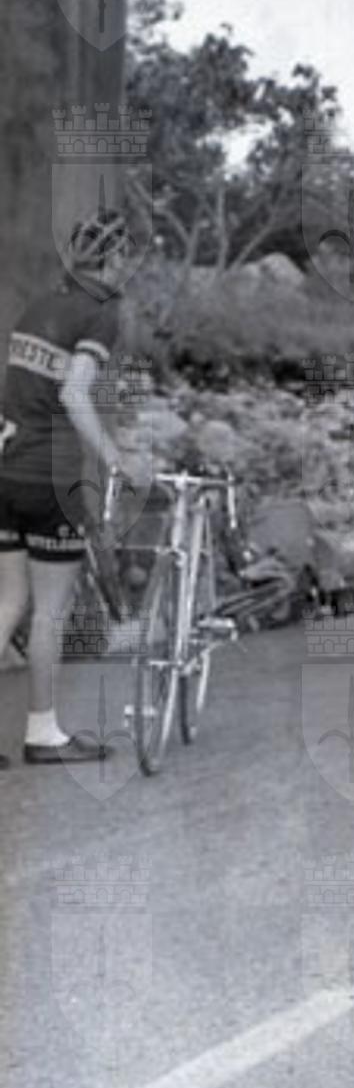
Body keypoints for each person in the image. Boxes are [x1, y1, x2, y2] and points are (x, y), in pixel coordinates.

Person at [0, 211, 148, 766]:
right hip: (50, 478)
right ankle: (43, 734)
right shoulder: (101, 312)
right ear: (115, 258)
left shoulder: (39, 306)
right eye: (126, 256)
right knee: (49, 614)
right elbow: (74, 392)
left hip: (5, 468)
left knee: (8, 601)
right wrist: (114, 459)